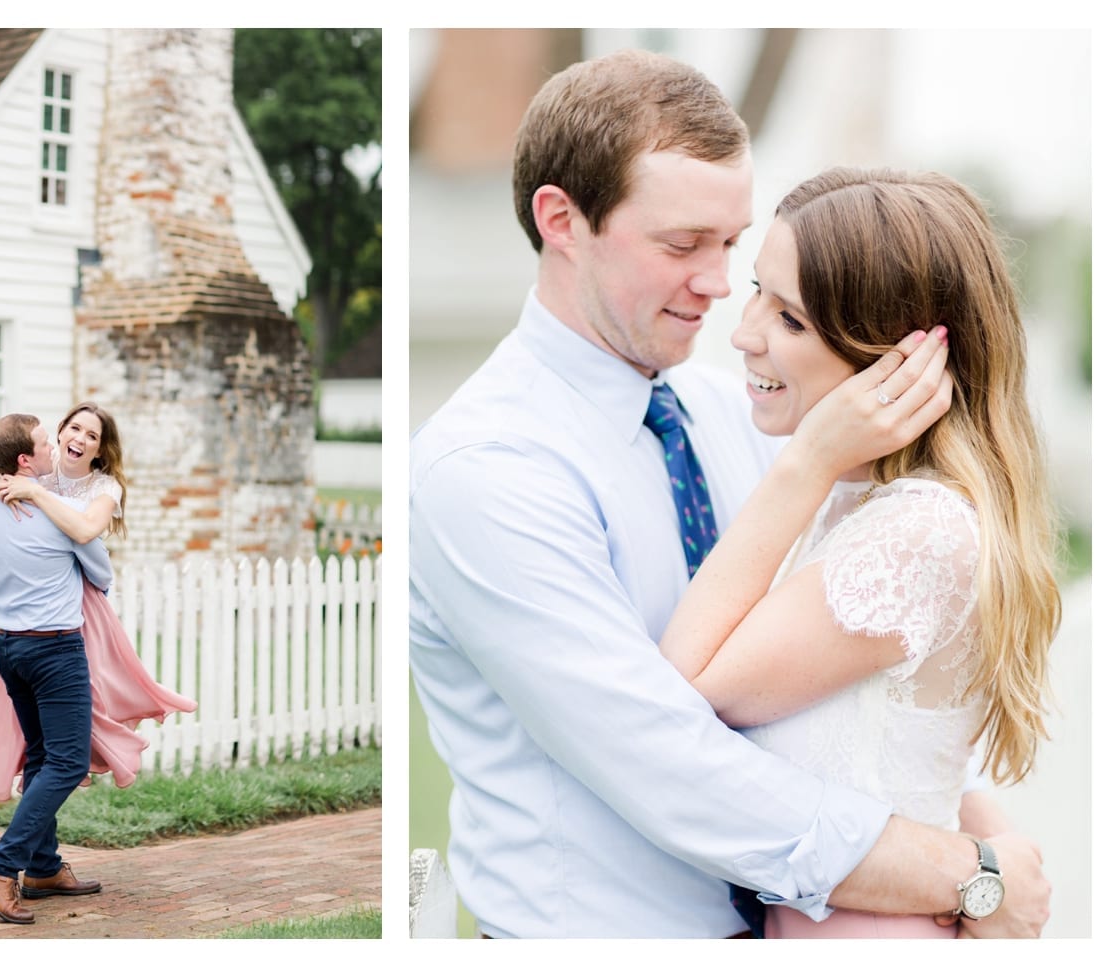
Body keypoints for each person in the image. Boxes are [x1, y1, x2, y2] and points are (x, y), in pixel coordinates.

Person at [408, 48, 1051, 938]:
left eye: (730, 245)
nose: (717, 283)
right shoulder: (485, 470)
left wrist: (982, 831)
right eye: (683, 244)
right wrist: (967, 873)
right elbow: (670, 762)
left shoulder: (739, 419)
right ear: (561, 218)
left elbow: (840, 695)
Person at [655, 167, 1061, 937]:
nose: (744, 333)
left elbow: (683, 690)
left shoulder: (918, 530)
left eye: (792, 320)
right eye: (757, 293)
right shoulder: (862, 507)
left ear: (895, 359)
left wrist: (804, 463)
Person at [0, 402, 196, 811]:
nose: (79, 440)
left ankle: (89, 756)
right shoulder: (40, 472)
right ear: (62, 431)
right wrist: (8, 485)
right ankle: (39, 861)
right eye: (74, 429)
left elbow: (86, 530)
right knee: (40, 742)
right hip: (36, 616)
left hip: (79, 608)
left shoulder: (102, 489)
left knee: (85, 707)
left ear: (100, 451)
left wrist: (32, 492)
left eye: (92, 436)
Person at [0, 413, 111, 924]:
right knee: (68, 763)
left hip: (8, 649)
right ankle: (0, 866)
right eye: (47, 441)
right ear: (25, 460)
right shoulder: (59, 513)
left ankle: (43, 867)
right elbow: (102, 572)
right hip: (55, 649)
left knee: (42, 755)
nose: (56, 446)